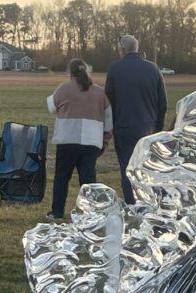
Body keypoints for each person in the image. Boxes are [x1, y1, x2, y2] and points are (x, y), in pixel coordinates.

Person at [46, 58, 113, 221]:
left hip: (67, 139)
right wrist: (105, 139)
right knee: (88, 179)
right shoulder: (100, 92)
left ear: (70, 73)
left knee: (62, 176)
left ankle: (57, 212)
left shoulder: (64, 88)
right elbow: (109, 118)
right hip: (92, 141)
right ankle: (91, 214)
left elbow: (51, 107)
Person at [105, 34, 168, 205]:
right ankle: (148, 203)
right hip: (148, 128)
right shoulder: (153, 69)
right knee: (146, 169)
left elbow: (109, 100)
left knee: (127, 169)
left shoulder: (115, 69)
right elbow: (163, 103)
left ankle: (132, 204)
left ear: (122, 49)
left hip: (124, 127)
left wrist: (109, 127)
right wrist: (158, 129)